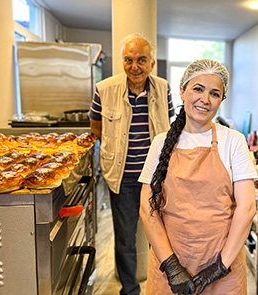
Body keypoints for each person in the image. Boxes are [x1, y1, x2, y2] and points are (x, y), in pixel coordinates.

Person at [139, 59, 257, 295]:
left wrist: (220, 266)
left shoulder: (233, 141)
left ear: (221, 101)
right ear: (182, 91)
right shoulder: (160, 143)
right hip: (168, 261)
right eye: (198, 89)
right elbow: (147, 209)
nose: (205, 99)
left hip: (223, 264)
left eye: (215, 94)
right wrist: (171, 267)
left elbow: (246, 209)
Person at [89, 33, 174, 295]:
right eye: (128, 59)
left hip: (155, 177)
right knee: (125, 239)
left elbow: (168, 126)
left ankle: (160, 287)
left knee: (159, 236)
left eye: (141, 60)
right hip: (122, 177)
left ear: (151, 64)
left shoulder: (163, 87)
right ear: (122, 61)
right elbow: (96, 126)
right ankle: (130, 290)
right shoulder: (105, 89)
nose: (134, 66)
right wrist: (115, 147)